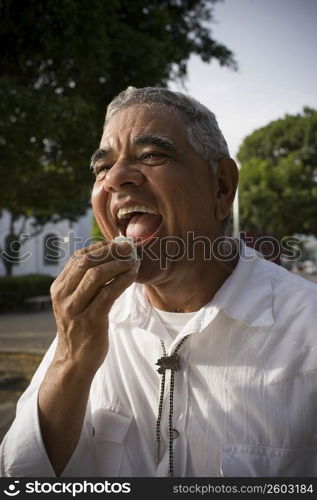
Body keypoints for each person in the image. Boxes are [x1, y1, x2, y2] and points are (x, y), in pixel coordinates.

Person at [1, 87, 317, 477]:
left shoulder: (308, 330)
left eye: (152, 155)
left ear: (221, 186)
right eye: (101, 168)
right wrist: (71, 358)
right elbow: (22, 476)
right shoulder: (92, 321)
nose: (115, 178)